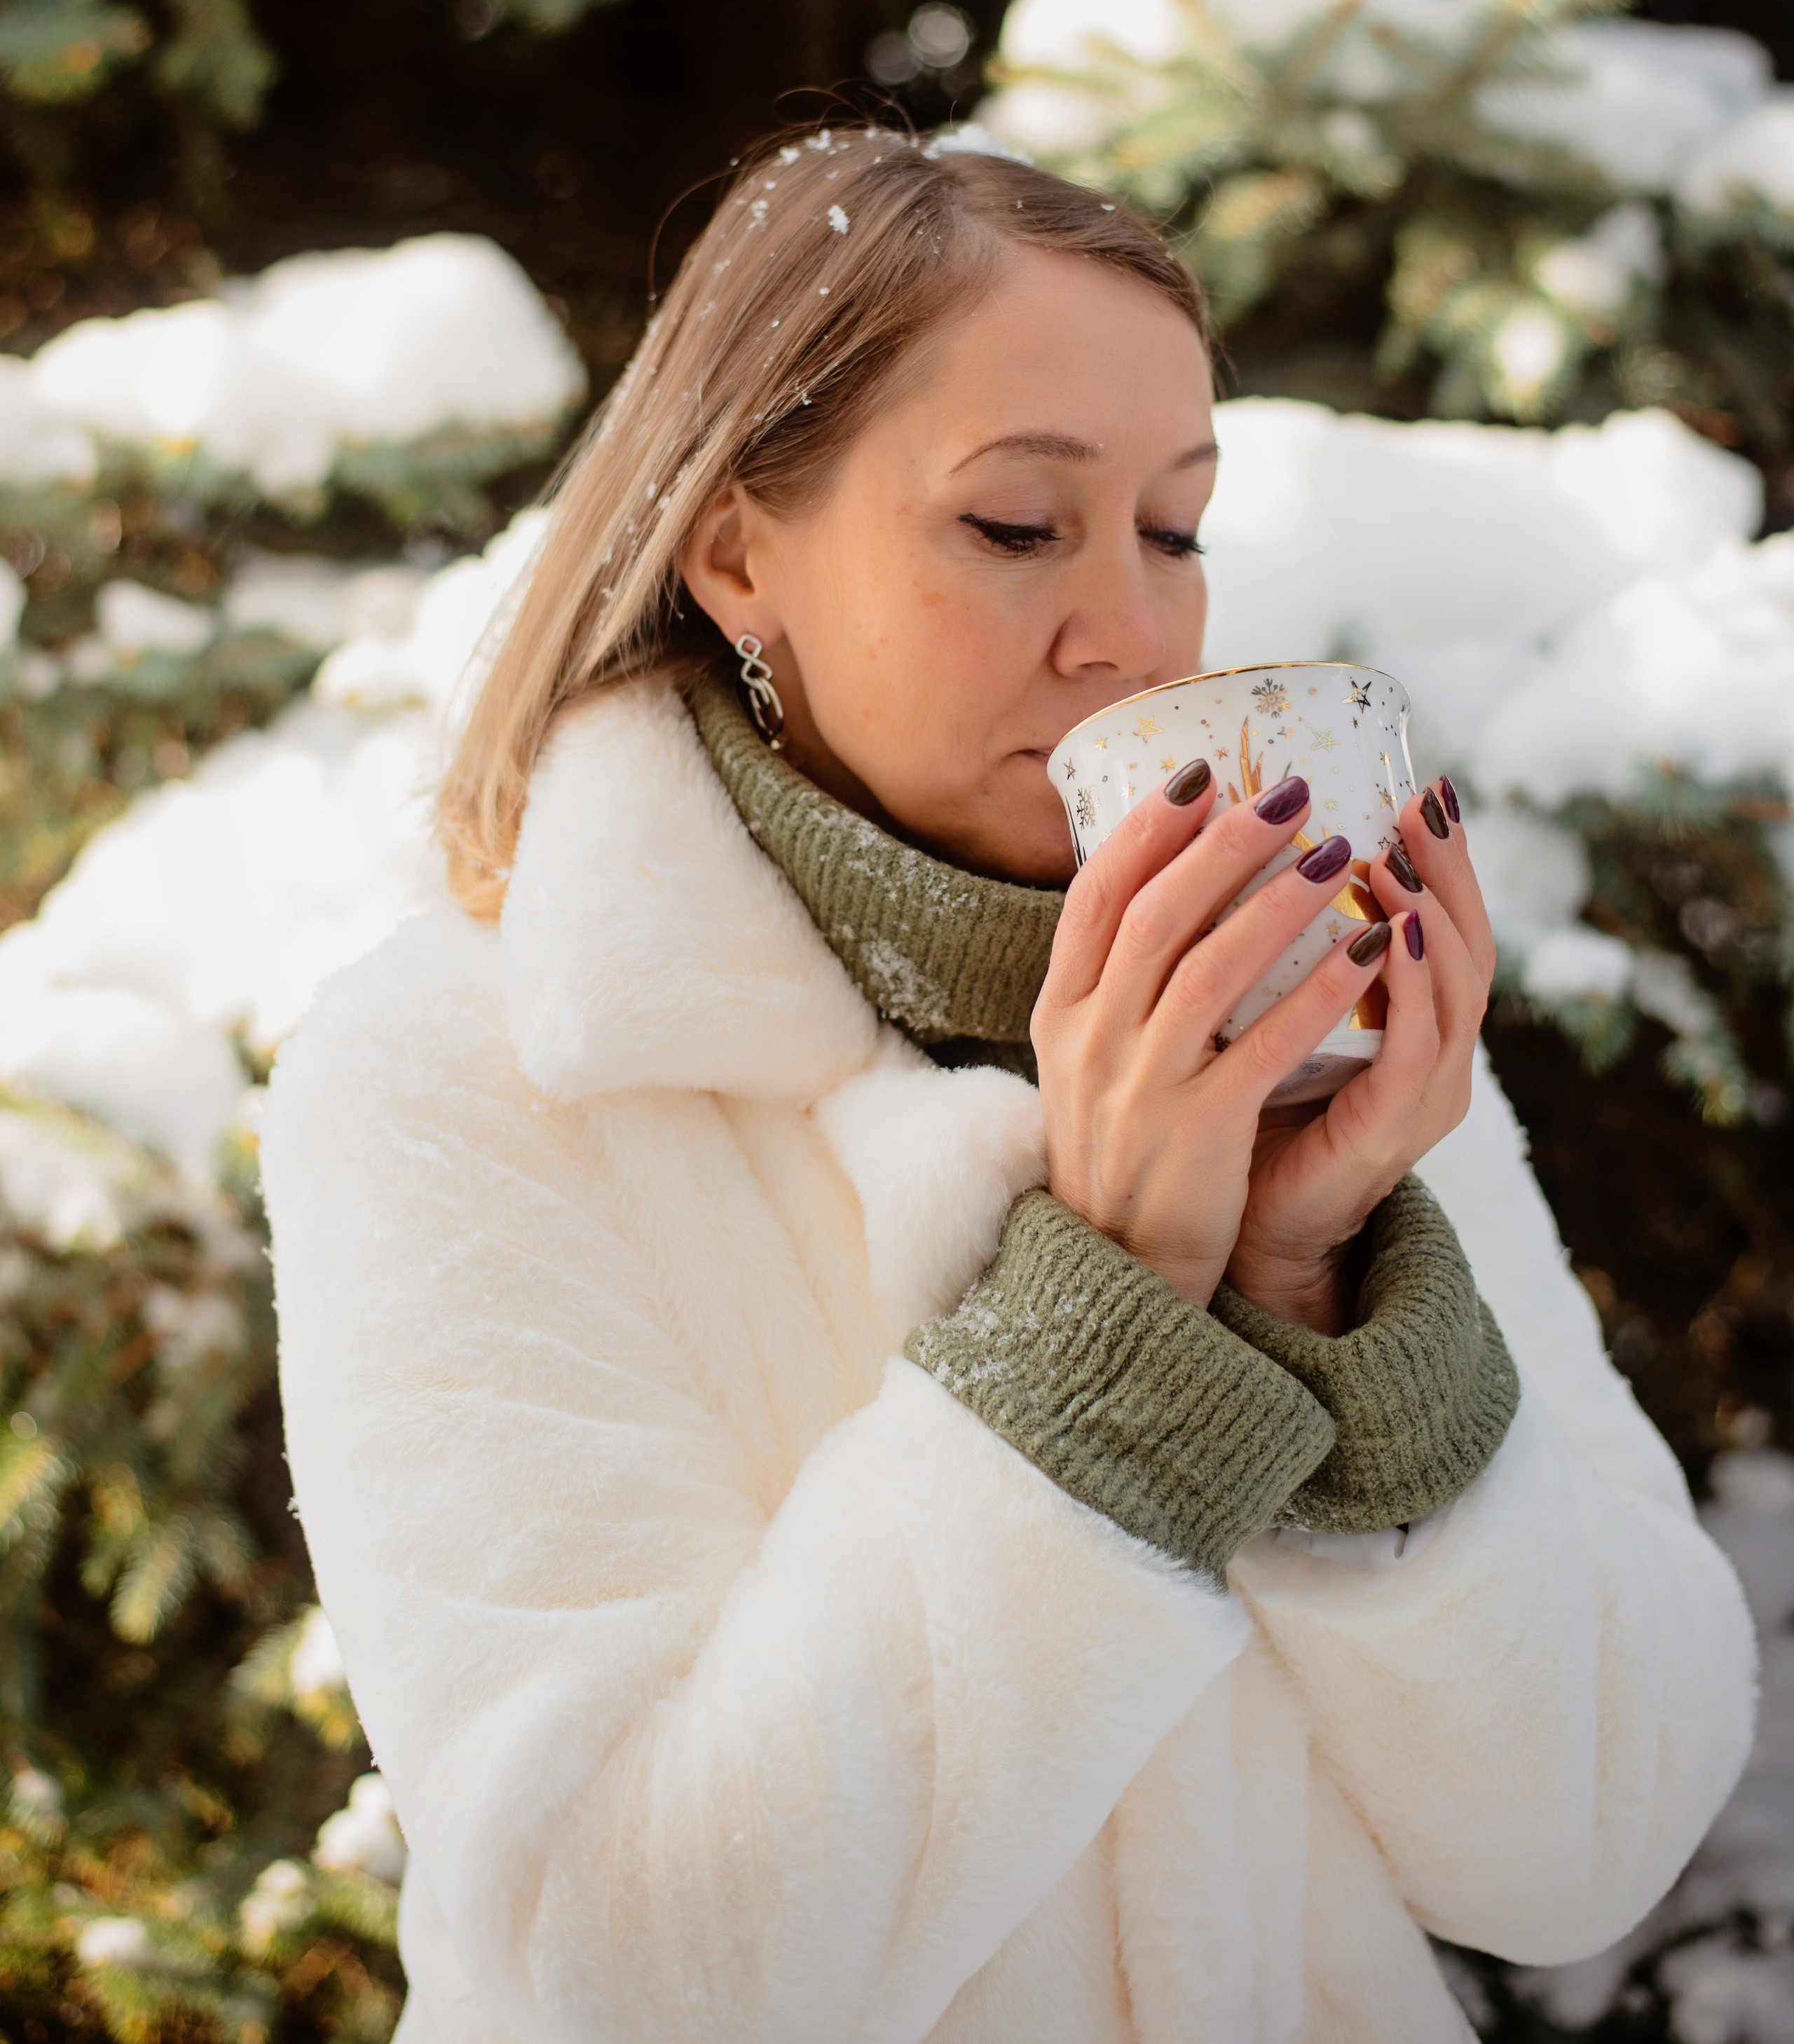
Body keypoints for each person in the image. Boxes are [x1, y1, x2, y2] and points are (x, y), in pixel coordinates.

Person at [261, 123, 1754, 2044]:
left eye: (1177, 524)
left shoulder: (1312, 1033)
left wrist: (1321, 1302)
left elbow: (1592, 1847)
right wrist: (1107, 1329)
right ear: (736, 548)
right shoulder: (461, 1077)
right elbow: (630, 1967)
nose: (1128, 630)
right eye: (1018, 523)